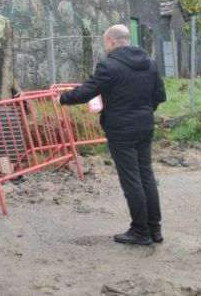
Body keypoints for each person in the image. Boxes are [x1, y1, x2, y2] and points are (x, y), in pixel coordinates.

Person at [59, 24, 166, 245]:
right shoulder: (150, 63)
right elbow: (159, 95)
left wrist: (62, 98)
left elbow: (88, 91)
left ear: (112, 42)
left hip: (120, 129)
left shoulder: (109, 66)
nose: (105, 46)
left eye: (105, 42)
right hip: (145, 126)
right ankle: (154, 230)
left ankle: (140, 231)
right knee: (146, 176)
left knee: (131, 180)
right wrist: (144, 113)